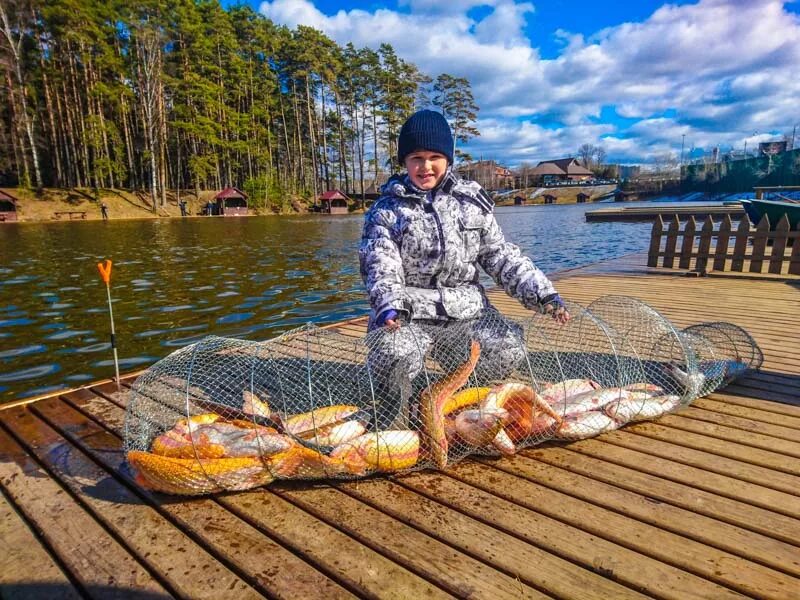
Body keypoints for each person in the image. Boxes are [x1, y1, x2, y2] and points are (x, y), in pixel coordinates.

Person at [359, 109, 569, 428]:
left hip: (466, 310)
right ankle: (395, 410)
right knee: (394, 356)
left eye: (434, 156)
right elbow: (380, 263)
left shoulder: (471, 203)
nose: (425, 166)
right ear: (404, 161)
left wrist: (544, 296)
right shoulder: (386, 211)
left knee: (509, 348)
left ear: (448, 159)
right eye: (416, 157)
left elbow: (501, 256)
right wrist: (388, 306)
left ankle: (460, 395)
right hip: (408, 312)